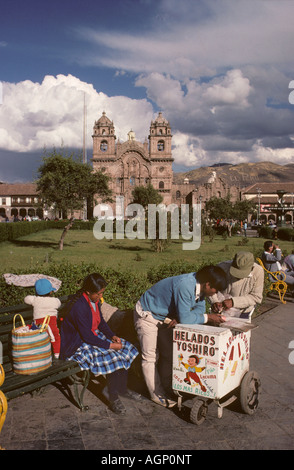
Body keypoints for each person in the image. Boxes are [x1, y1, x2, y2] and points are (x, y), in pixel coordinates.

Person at [133, 265, 228, 408]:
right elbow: (191, 317)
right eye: (216, 289)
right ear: (208, 284)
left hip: (163, 316)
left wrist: (186, 317)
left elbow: (198, 310)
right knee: (150, 357)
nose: (215, 293)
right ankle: (156, 394)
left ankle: (167, 386)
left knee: (168, 353)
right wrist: (207, 317)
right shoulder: (185, 285)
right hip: (147, 314)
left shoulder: (200, 286)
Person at [59, 273, 140, 415]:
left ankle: (120, 387)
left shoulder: (94, 301)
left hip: (91, 336)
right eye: (98, 293)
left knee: (127, 348)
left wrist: (112, 336)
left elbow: (101, 322)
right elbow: (87, 336)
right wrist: (110, 346)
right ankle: (112, 396)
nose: (100, 296)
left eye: (102, 292)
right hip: (77, 343)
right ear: (88, 292)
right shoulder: (79, 307)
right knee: (113, 356)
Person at [209, 251, 264, 317]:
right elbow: (210, 287)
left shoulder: (258, 271)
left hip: (243, 311)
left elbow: (256, 297)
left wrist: (233, 302)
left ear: (252, 268)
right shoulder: (222, 267)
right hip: (220, 310)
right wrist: (214, 301)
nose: (238, 276)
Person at [24, 279, 61, 359]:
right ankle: (57, 354)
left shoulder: (35, 300)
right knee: (56, 337)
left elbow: (26, 299)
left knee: (38, 338)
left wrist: (35, 296)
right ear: (51, 292)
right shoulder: (55, 301)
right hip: (52, 326)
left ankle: (40, 356)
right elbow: (59, 303)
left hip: (39, 328)